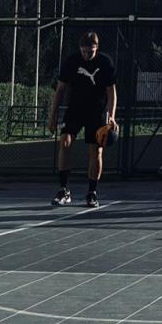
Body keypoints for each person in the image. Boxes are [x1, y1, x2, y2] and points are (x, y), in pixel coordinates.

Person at [47, 31, 117, 208]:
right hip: (76, 109)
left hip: (97, 110)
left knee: (96, 150)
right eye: (84, 51)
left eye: (91, 52)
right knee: (65, 141)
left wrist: (111, 116)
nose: (87, 55)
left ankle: (92, 192)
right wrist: (53, 115)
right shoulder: (72, 61)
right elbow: (60, 89)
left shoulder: (105, 62)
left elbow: (111, 92)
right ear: (80, 49)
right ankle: (64, 190)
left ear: (97, 48)